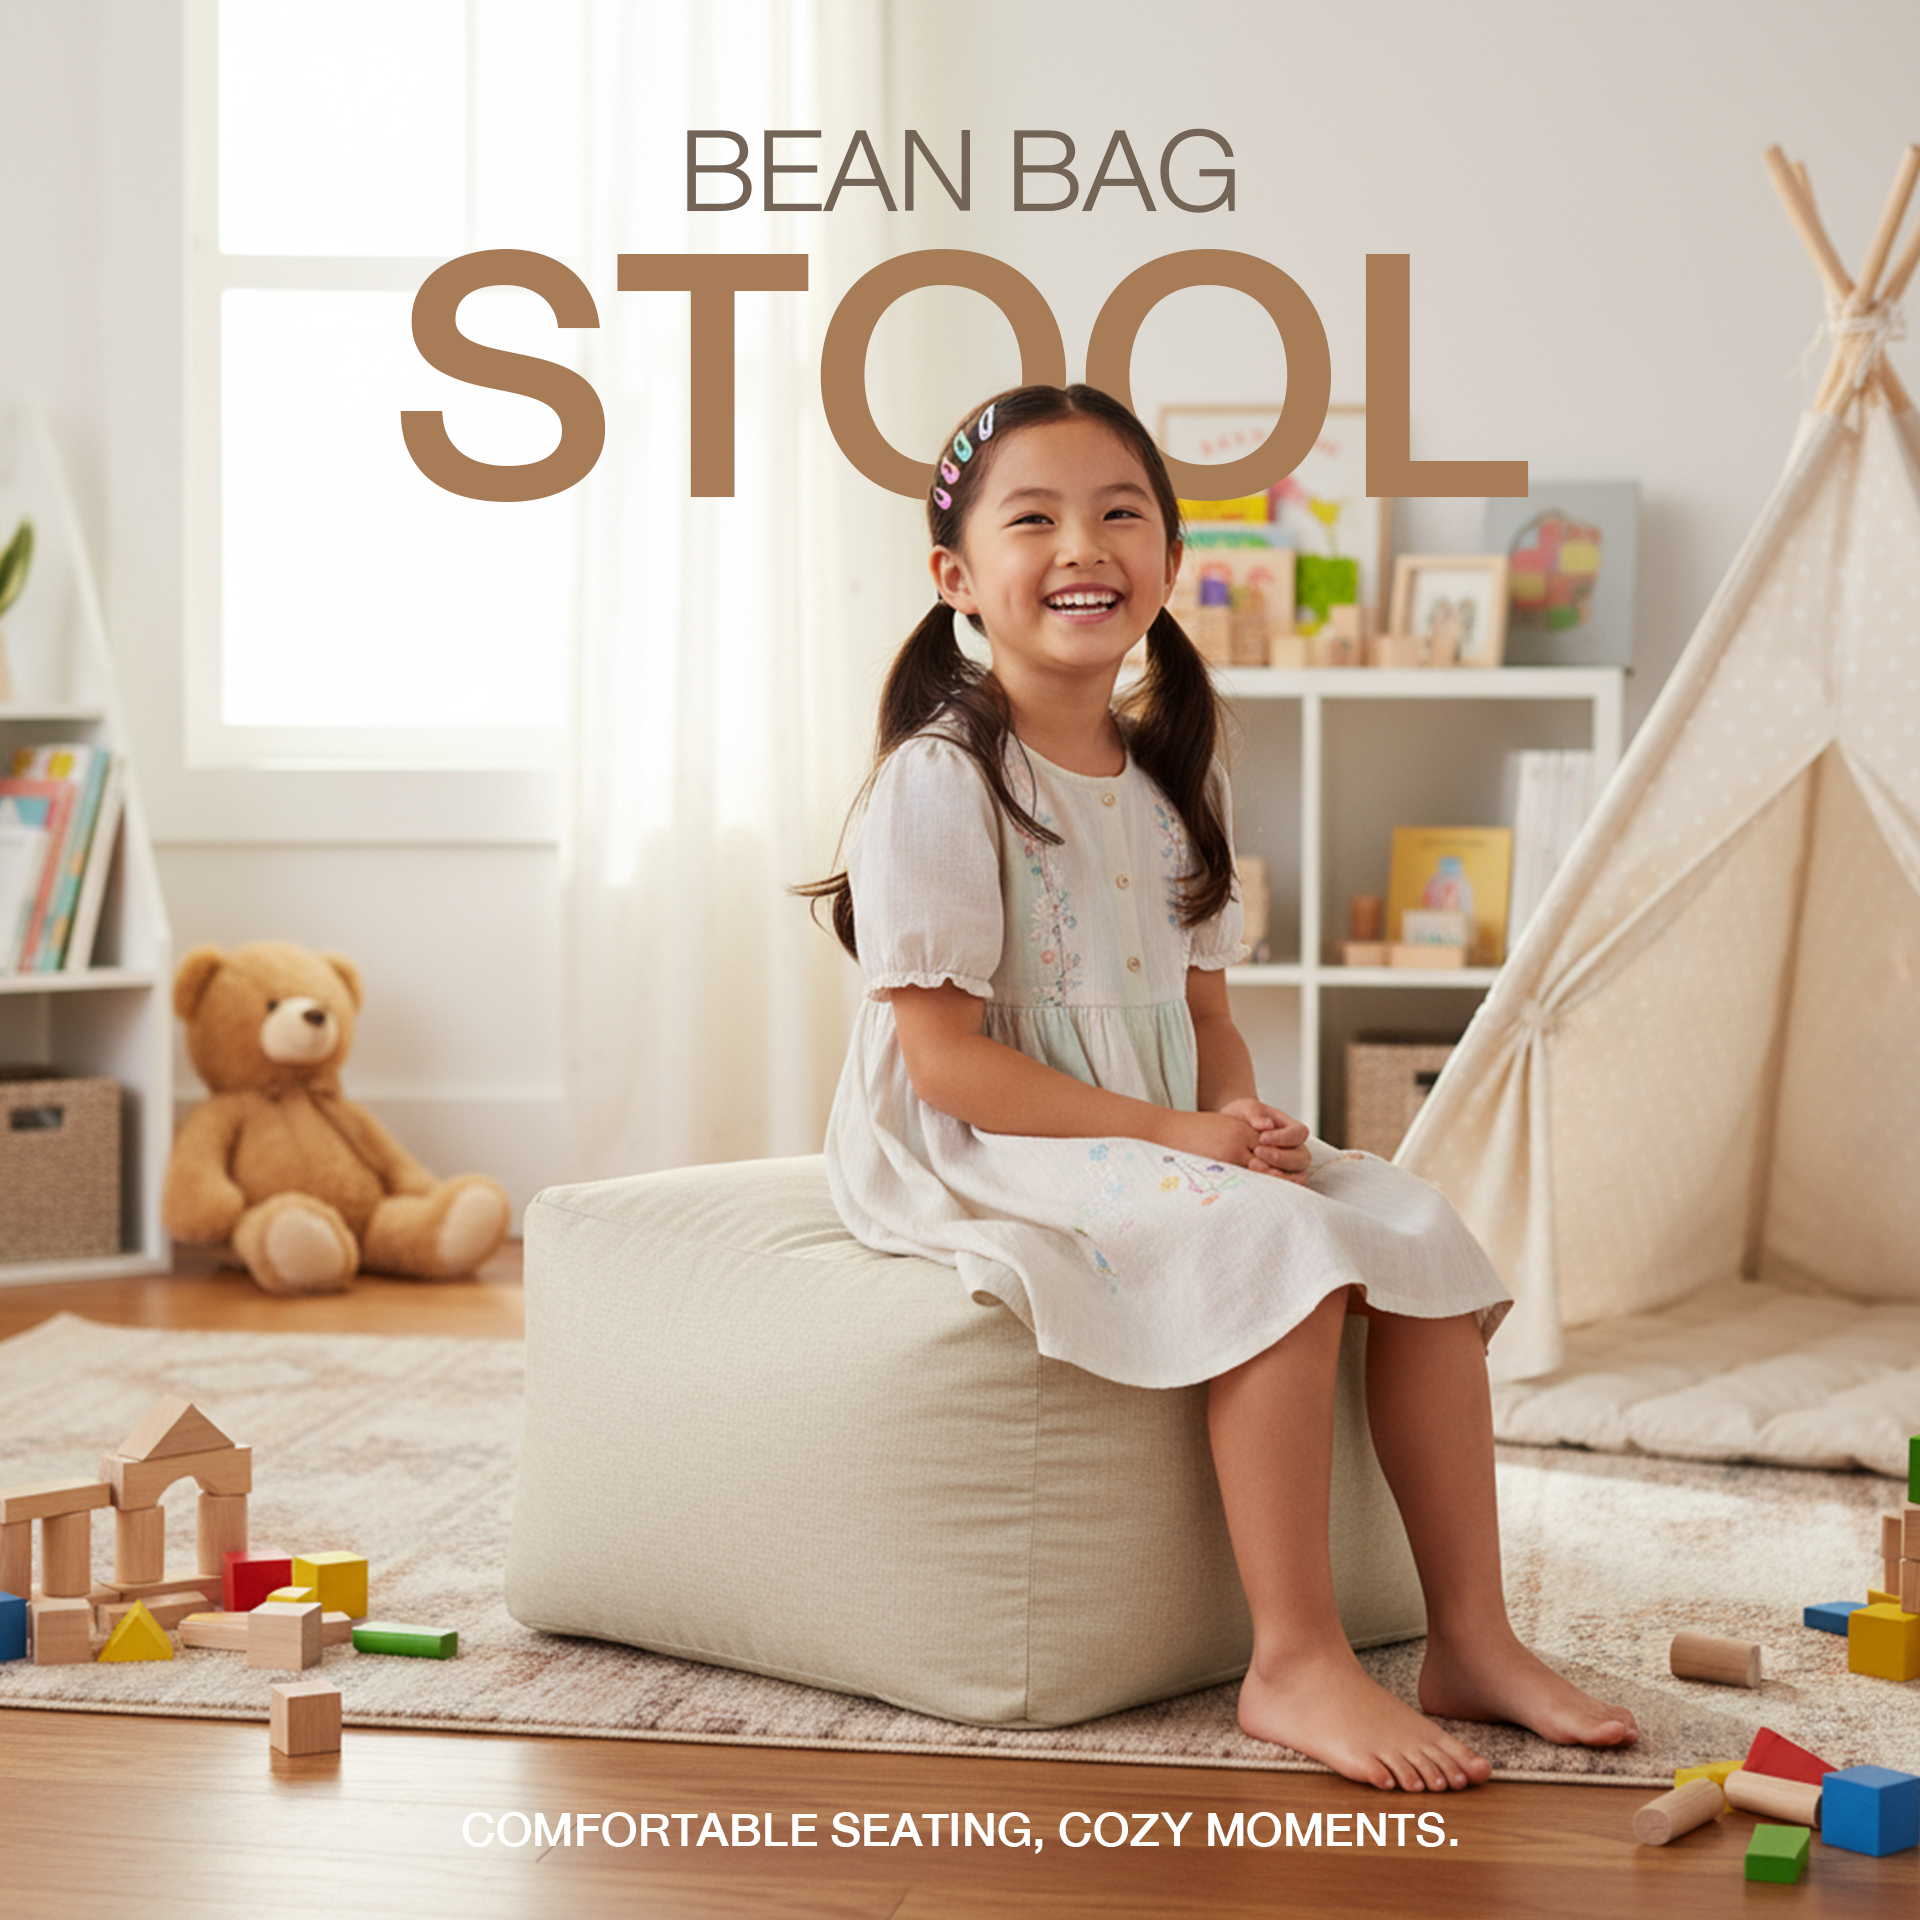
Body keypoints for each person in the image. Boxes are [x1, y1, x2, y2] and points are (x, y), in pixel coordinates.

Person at [801, 383, 1637, 1792]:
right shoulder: (944, 782)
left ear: (1171, 562)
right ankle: (1294, 1658)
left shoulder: (1176, 774)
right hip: (982, 1134)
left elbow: (1206, 1016)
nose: (1086, 543)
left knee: (1417, 1228)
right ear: (957, 577)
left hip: (1151, 1119)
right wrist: (1181, 1138)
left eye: (1122, 512)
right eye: (1037, 517)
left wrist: (1237, 1118)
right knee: (1278, 1247)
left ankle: (1472, 1637)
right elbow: (950, 1064)